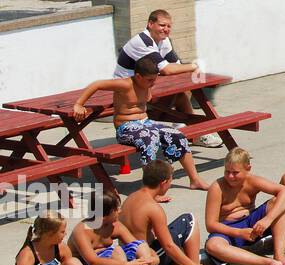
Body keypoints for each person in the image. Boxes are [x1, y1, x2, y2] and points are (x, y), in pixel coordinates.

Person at [72, 56, 208, 193]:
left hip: (146, 123)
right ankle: (150, 189)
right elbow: (96, 84)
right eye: (150, 80)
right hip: (126, 128)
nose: (153, 83)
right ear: (138, 76)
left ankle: (194, 179)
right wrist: (79, 104)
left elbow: (148, 99)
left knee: (177, 135)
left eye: (155, 79)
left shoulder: (147, 85)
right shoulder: (125, 85)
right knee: (149, 138)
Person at [113, 9, 221, 148]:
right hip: (126, 90)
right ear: (150, 24)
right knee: (180, 93)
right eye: (162, 25)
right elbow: (167, 69)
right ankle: (187, 132)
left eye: (169, 26)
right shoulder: (143, 42)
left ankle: (190, 132)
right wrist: (194, 66)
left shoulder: (163, 41)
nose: (166, 29)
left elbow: (175, 66)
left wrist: (187, 68)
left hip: (146, 85)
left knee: (183, 91)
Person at [119, 160, 218, 265]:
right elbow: (168, 246)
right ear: (164, 183)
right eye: (171, 181)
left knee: (170, 232)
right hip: (144, 260)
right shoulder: (153, 208)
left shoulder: (131, 198)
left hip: (128, 256)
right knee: (188, 221)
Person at [203, 148, 285, 265]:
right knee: (212, 246)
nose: (230, 176)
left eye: (235, 172)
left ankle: (279, 255)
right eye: (227, 171)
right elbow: (211, 225)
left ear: (248, 168)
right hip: (228, 228)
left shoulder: (252, 180)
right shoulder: (217, 187)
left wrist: (267, 220)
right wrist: (239, 232)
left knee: (278, 202)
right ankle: (267, 262)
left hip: (253, 223)